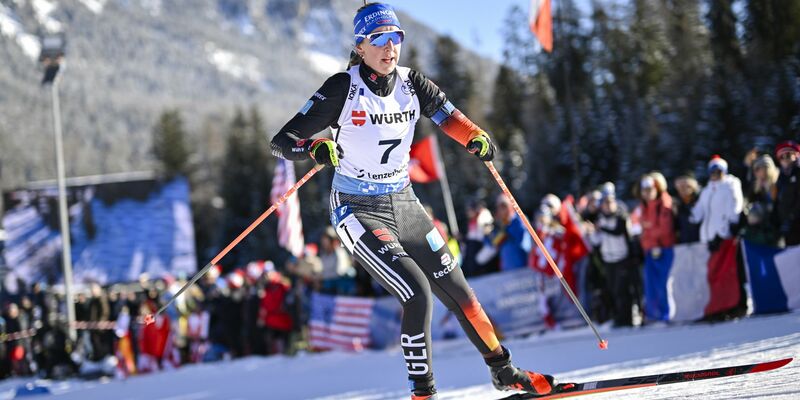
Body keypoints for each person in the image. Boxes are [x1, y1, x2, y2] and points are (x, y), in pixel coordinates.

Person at [269, 3, 557, 398]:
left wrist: (475, 137)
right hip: (357, 208)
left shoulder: (412, 83)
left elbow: (451, 117)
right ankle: (423, 392)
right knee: (416, 292)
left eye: (396, 38)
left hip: (405, 204)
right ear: (360, 46)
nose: (390, 48)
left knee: (461, 293)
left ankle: (503, 370)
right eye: (380, 40)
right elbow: (282, 142)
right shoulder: (342, 87)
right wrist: (314, 149)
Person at [588, 191, 638, 327]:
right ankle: (618, 317)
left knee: (623, 290)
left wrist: (601, 228)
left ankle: (628, 318)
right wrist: (592, 232)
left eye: (610, 203)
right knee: (613, 290)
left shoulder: (621, 217)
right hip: (608, 260)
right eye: (605, 203)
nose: (608, 206)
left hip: (622, 258)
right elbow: (597, 242)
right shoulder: (600, 219)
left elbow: (617, 232)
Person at [635, 173, 675, 323]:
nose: (647, 193)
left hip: (663, 249)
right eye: (644, 190)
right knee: (650, 284)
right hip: (649, 250)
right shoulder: (644, 206)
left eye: (650, 189)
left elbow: (665, 229)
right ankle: (654, 314)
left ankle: (666, 314)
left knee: (664, 283)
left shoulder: (663, 204)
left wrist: (651, 233)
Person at [691, 155, 744, 252]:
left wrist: (725, 233)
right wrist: (687, 210)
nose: (715, 174)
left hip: (723, 239)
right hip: (706, 239)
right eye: (712, 171)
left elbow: (735, 208)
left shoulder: (730, 185)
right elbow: (697, 214)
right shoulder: (706, 191)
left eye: (718, 171)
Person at [775, 141, 800, 246]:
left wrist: (792, 218)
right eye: (782, 156)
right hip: (786, 226)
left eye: (788, 155)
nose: (785, 159)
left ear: (796, 156)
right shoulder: (780, 177)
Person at [673, 174, 701, 244]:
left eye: (687, 186)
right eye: (680, 187)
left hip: (703, 243)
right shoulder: (677, 205)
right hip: (685, 245)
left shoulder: (702, 200)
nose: (683, 190)